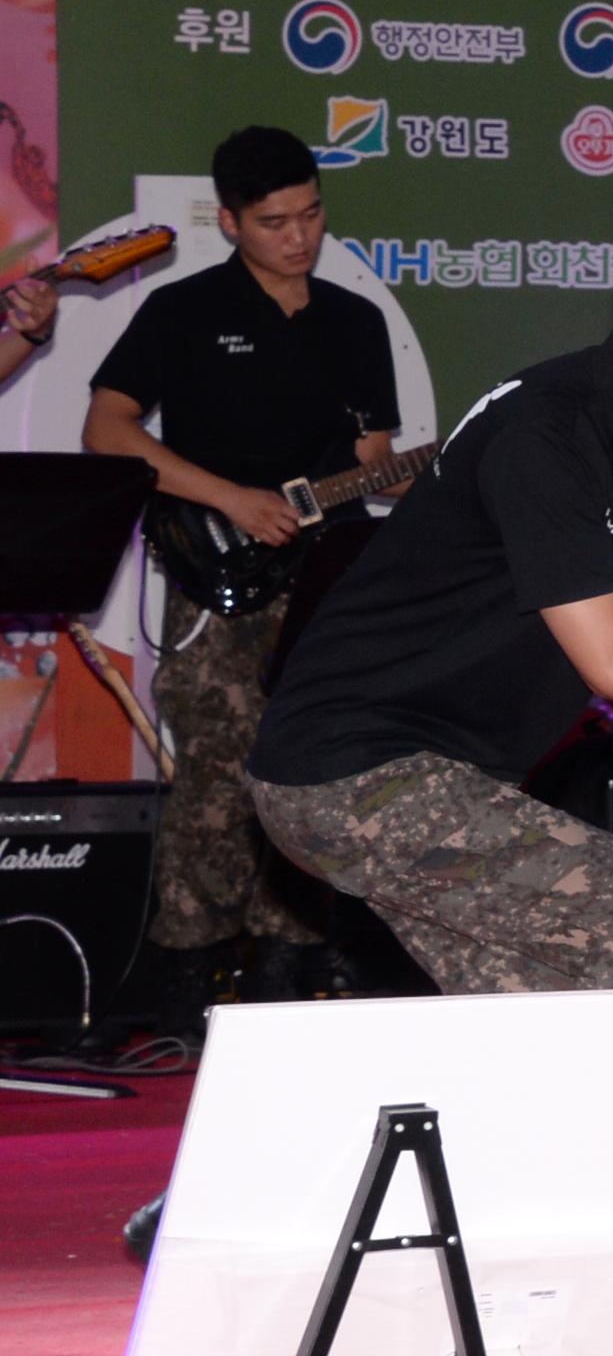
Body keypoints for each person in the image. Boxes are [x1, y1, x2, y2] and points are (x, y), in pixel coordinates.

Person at [241, 178, 613, 993]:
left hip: (425, 771)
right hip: (349, 768)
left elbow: (611, 631)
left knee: (545, 999)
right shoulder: (546, 436)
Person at [85, 126, 402, 1027]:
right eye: (273, 222)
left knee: (317, 770)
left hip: (330, 577)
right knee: (218, 770)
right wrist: (230, 497)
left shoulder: (356, 321)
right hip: (215, 570)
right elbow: (107, 431)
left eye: (310, 215)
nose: (297, 237)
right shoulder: (183, 311)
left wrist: (435, 470)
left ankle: (296, 952)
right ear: (228, 221)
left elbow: (375, 453)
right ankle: (187, 964)